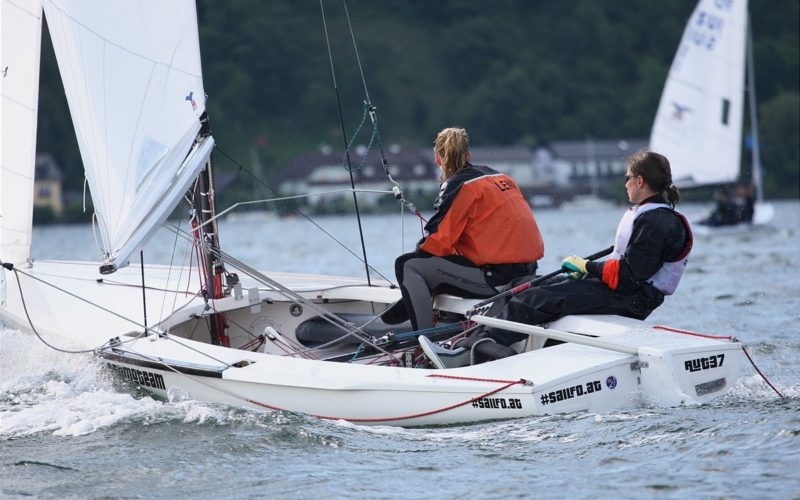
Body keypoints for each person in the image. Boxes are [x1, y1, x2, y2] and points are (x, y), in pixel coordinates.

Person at [423, 150, 693, 368]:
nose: (625, 183)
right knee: (523, 285)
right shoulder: (648, 214)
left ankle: (469, 355)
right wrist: (585, 272)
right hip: (621, 289)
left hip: (632, 299)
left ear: (640, 181)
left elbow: (629, 276)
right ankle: (471, 345)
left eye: (627, 178)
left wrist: (587, 267)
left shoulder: (658, 222)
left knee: (534, 299)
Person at [382, 127, 544, 332]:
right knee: (433, 264)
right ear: (469, 155)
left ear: (438, 159)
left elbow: (437, 243)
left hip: (498, 279)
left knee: (407, 265)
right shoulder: (499, 177)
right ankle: (413, 304)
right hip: (528, 270)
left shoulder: (458, 185)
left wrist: (420, 252)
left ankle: (423, 341)